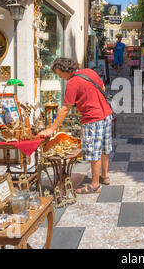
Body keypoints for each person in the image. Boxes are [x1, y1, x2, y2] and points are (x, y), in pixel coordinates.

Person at [39, 58, 113, 194]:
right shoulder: (89, 72)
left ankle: (95, 185)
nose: (61, 77)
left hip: (93, 119)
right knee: (104, 147)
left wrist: (51, 128)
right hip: (107, 115)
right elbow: (102, 87)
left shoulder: (72, 83)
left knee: (93, 151)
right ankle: (104, 176)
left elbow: (65, 109)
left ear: (65, 70)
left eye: (60, 74)